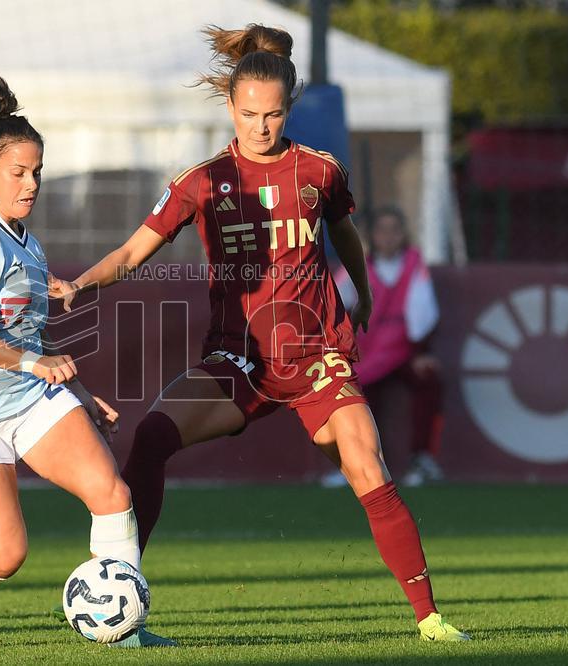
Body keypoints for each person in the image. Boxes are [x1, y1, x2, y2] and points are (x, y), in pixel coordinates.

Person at [50, 25, 469, 642]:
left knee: (368, 468)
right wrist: (81, 286)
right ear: (230, 107)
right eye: (249, 114)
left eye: (273, 115)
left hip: (314, 356)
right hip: (235, 358)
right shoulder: (203, 180)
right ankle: (125, 601)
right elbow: (134, 251)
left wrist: (364, 291)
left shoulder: (319, 171)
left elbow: (344, 232)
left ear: (289, 109)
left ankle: (430, 619)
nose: (261, 127)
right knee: (151, 438)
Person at [0, 73, 174, 648]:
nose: (31, 183)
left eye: (37, 171)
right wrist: (39, 367)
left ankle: (125, 628)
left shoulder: (26, 243)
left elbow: (29, 334)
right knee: (5, 556)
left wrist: (78, 394)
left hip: (26, 399)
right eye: (19, 172)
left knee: (112, 494)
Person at [322, 206, 445, 488]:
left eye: (394, 231)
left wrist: (421, 353)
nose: (388, 237)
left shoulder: (414, 264)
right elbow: (333, 305)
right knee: (352, 397)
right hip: (367, 353)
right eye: (382, 231)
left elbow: (423, 313)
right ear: (371, 236)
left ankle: (422, 459)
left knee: (429, 381)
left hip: (404, 353)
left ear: (404, 235)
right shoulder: (359, 265)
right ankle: (359, 464)